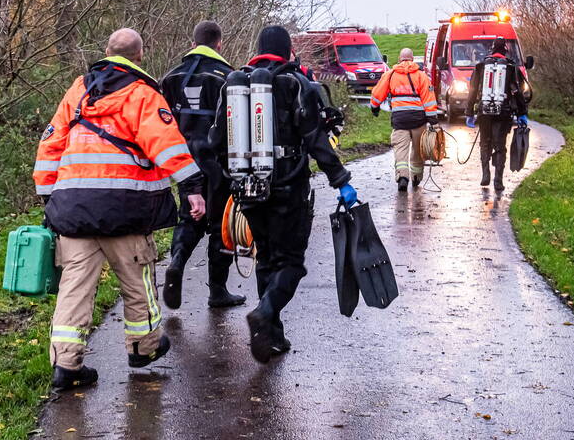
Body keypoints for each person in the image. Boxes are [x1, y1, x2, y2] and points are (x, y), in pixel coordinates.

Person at [34, 28, 207, 390]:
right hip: (126, 208)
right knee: (137, 278)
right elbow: (167, 145)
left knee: (74, 286)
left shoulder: (79, 90)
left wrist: (50, 199)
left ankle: (66, 366)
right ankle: (143, 348)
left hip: (75, 209)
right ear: (139, 56)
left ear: (107, 50)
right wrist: (192, 188)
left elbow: (50, 144)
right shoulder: (142, 94)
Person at [211, 25, 356, 363]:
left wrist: (231, 176)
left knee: (266, 257)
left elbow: (216, 141)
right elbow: (316, 141)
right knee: (290, 262)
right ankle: (266, 313)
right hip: (288, 187)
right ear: (289, 50)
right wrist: (341, 180)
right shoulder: (297, 83)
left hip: (247, 187)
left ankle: (271, 336)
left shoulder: (235, 85)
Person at [159, 21, 245, 310]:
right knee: (222, 224)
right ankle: (217, 290)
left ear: (193, 42)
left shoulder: (171, 77)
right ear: (219, 44)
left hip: (184, 162)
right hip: (218, 162)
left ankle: (177, 262)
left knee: (189, 216)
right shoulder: (228, 78)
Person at [369, 48, 440, 191]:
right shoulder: (422, 76)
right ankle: (416, 177)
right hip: (418, 119)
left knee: (400, 150)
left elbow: (377, 93)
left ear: (399, 59)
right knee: (418, 150)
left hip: (399, 120)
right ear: (412, 59)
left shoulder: (390, 75)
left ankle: (403, 177)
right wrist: (432, 118)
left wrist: (374, 107)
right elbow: (429, 99)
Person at [465, 36, 529, 192]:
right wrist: (522, 113)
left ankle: (485, 174)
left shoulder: (481, 66)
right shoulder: (510, 67)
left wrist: (469, 113)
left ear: (492, 49)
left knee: (485, 143)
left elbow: (472, 91)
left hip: (484, 112)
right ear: (505, 49)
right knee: (500, 146)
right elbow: (517, 92)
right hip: (503, 112)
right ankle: (498, 181)